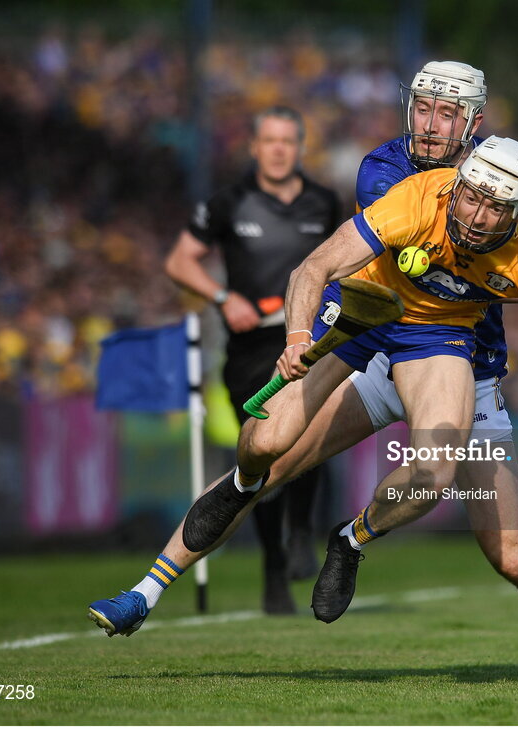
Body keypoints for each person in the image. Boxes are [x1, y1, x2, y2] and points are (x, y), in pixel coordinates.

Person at [88, 62, 518, 685]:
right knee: (266, 452)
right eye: (423, 108)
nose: (431, 124)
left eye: (447, 113)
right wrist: (303, 335)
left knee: (511, 555)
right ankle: (146, 590)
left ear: (473, 123)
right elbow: (330, 267)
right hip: (367, 325)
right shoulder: (392, 178)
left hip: (454, 352)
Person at [162, 106, 340, 614]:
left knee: (312, 437)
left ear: (300, 147)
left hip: (310, 340)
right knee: (259, 453)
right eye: (270, 140)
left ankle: (303, 533)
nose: (279, 148)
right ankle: (273, 568)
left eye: (288, 140)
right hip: (250, 349)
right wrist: (222, 298)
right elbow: (179, 261)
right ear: (255, 147)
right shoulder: (228, 202)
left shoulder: (325, 203)